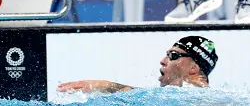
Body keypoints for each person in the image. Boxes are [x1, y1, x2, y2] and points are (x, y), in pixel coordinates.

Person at [57, 36, 219, 92]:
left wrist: (107, 86)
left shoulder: (194, 95)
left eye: (173, 55)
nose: (163, 61)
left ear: (194, 68)